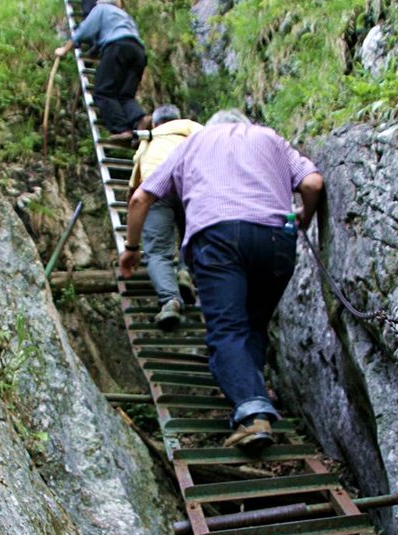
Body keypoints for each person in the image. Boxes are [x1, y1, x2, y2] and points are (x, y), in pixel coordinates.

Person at [120, 109, 324, 451]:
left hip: (218, 240)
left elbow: (141, 197)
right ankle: (250, 387)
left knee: (227, 329)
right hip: (276, 240)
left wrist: (131, 247)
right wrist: (305, 216)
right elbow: (313, 183)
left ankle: (253, 414)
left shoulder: (193, 144)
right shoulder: (271, 138)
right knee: (254, 325)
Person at [127, 105, 202, 330]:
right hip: (194, 185)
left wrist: (132, 240)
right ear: (179, 119)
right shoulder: (193, 128)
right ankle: (185, 272)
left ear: (155, 124)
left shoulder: (149, 140)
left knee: (158, 252)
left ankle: (170, 300)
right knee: (194, 236)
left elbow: (134, 190)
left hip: (156, 190)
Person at [54, 0, 150, 142]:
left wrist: (64, 49)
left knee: (103, 91)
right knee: (125, 95)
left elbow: (83, 32)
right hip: (138, 52)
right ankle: (140, 119)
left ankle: (122, 130)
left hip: (118, 47)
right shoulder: (124, 16)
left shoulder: (101, 9)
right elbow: (102, 43)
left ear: (101, 2)